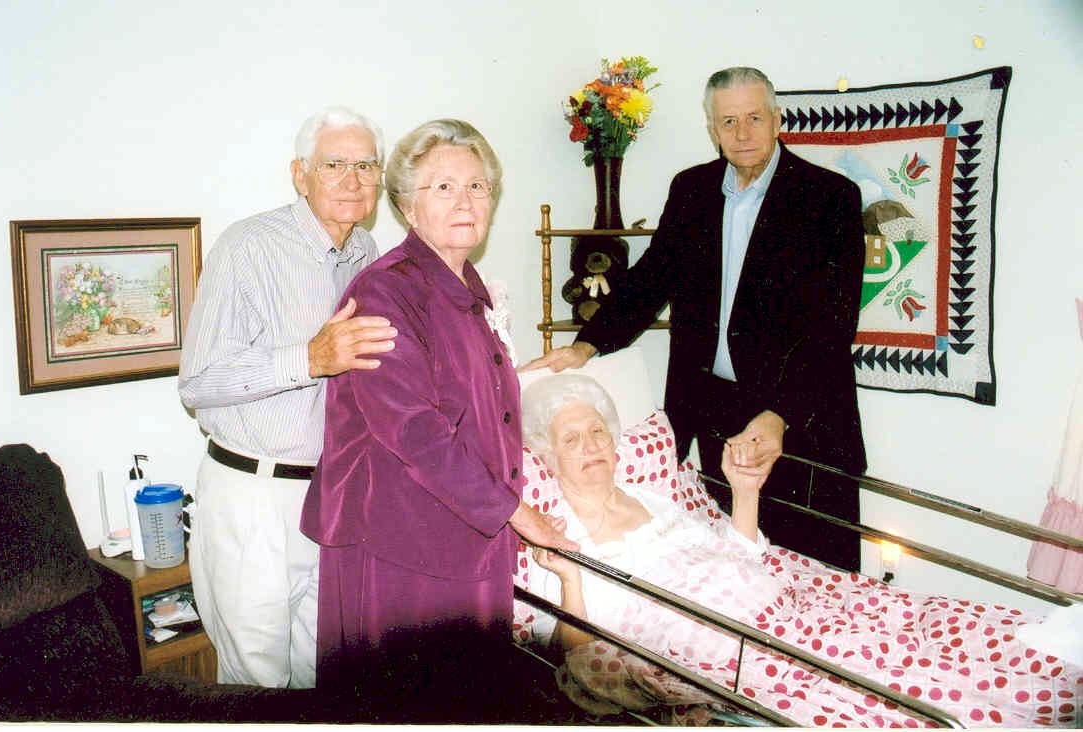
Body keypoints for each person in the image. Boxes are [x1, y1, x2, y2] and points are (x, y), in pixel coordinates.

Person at [520, 373, 1082, 727]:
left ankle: (1047, 657)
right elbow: (578, 657)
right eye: (572, 439)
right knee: (888, 689)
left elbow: (739, 556)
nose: (591, 446)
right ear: (547, 455)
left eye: (598, 432)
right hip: (735, 647)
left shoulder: (654, 498)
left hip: (790, 607)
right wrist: (570, 578)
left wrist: (744, 493)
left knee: (920, 634)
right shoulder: (560, 536)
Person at [524, 67, 867, 572]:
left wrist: (778, 415)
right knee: (732, 575)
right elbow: (649, 280)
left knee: (818, 581)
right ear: (712, 128)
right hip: (716, 417)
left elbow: (831, 328)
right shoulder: (692, 190)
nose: (742, 132)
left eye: (754, 118)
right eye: (729, 121)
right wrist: (585, 346)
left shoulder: (829, 197)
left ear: (777, 120)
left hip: (802, 418)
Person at [299, 118, 577, 721]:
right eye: (444, 187)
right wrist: (518, 513)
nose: (465, 201)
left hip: (466, 533)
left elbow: (470, 400)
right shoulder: (385, 293)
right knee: (414, 707)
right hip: (405, 545)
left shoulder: (467, 286)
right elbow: (414, 430)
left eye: (477, 187)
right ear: (407, 205)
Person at [178, 106, 397, 688]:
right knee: (256, 683)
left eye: (366, 165)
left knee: (322, 673)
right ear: (300, 174)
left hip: (332, 495)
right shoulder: (248, 247)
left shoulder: (368, 250)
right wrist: (309, 358)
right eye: (334, 165)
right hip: (254, 495)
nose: (352, 180)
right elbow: (197, 383)